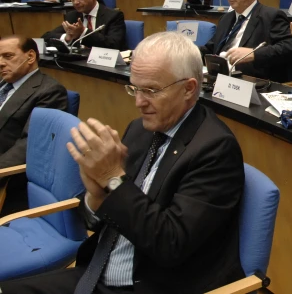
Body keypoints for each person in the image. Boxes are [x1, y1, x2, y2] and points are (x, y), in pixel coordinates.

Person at [0, 32, 246, 293]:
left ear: (189, 88)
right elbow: (100, 219)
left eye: (151, 90)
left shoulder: (215, 149)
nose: (139, 102)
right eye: (134, 88)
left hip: (150, 284)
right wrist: (95, 197)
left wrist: (112, 179)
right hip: (96, 273)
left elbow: (170, 244)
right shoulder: (141, 130)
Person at [0, 36, 68, 215]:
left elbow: (30, 144)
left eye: (8, 56)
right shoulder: (3, 84)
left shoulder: (49, 91)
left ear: (30, 57)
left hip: (9, 177)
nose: (0, 63)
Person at [201, 0, 292, 82]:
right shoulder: (226, 18)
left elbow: (291, 48)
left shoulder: (271, 16)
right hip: (220, 79)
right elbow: (211, 48)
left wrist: (254, 54)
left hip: (252, 83)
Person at [42, 0, 127, 50]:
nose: (75, 2)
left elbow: (114, 45)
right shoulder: (72, 16)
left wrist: (83, 32)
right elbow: (46, 37)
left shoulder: (113, 16)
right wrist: (66, 37)